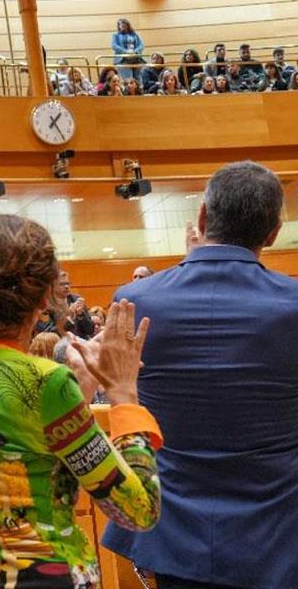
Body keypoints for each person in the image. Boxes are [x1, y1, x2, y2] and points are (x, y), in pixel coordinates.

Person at [0, 214, 161, 588]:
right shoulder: (46, 382)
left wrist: (77, 389)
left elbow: (28, 455)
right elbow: (137, 510)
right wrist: (124, 394)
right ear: (44, 291)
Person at [103, 161, 298, 589]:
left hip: (172, 530)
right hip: (277, 531)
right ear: (273, 233)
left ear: (203, 217)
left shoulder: (135, 300)